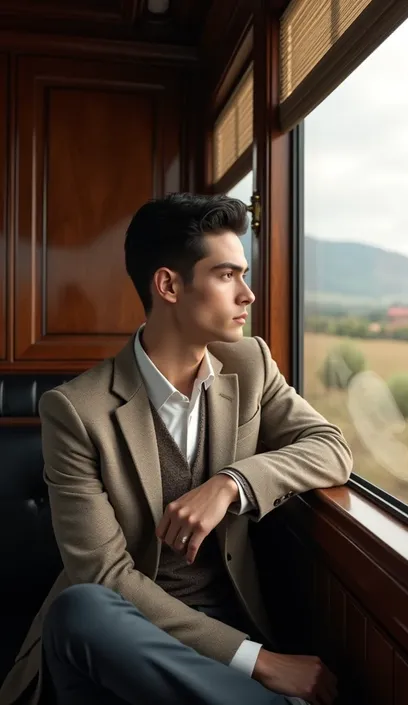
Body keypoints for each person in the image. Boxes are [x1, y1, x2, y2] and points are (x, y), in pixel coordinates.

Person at [0, 194, 352, 705]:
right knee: (79, 610)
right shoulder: (76, 411)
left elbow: (331, 448)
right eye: (227, 275)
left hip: (230, 625)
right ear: (168, 285)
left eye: (244, 274)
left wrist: (231, 484)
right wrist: (260, 662)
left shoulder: (251, 365)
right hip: (127, 637)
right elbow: (105, 576)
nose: (248, 294)